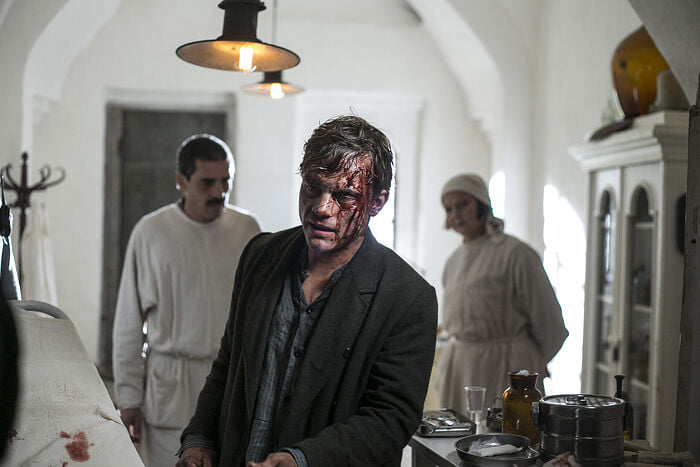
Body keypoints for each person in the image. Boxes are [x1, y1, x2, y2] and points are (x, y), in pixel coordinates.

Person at [176, 115, 438, 467]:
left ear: (378, 202)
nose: (321, 208)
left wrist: (301, 459)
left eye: (345, 195)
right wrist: (198, 438)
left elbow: (391, 419)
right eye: (313, 187)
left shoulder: (408, 297)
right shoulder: (260, 256)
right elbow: (229, 363)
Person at [112, 134, 262, 467]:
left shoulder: (247, 230)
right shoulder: (151, 232)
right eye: (207, 182)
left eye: (226, 181)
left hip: (230, 385)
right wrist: (129, 398)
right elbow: (128, 322)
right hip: (171, 390)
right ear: (181, 181)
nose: (219, 191)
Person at [435, 174, 568, 413]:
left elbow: (550, 325)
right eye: (449, 208)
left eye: (463, 204)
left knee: (505, 433)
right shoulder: (453, 261)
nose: (456, 214)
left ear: (482, 205)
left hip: (505, 367)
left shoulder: (517, 254)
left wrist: (528, 366)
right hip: (460, 368)